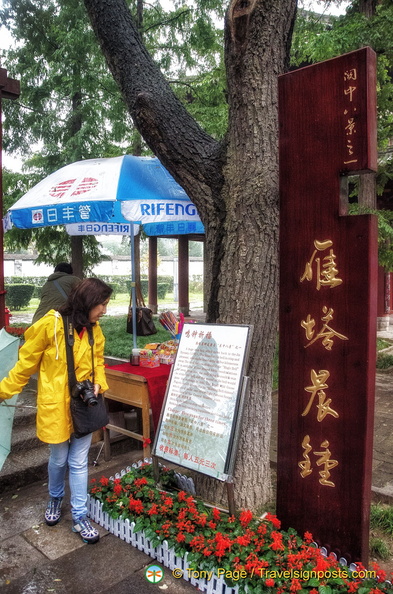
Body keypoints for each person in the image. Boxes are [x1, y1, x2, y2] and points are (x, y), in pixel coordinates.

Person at [0, 278, 113, 544]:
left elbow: (99, 361)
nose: (104, 311)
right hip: (56, 409)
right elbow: (24, 366)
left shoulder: (95, 329)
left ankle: (80, 515)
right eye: (102, 304)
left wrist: (98, 383)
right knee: (59, 460)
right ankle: (55, 498)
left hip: (84, 407)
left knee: (78, 462)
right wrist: (2, 391)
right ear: (88, 302)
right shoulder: (50, 325)